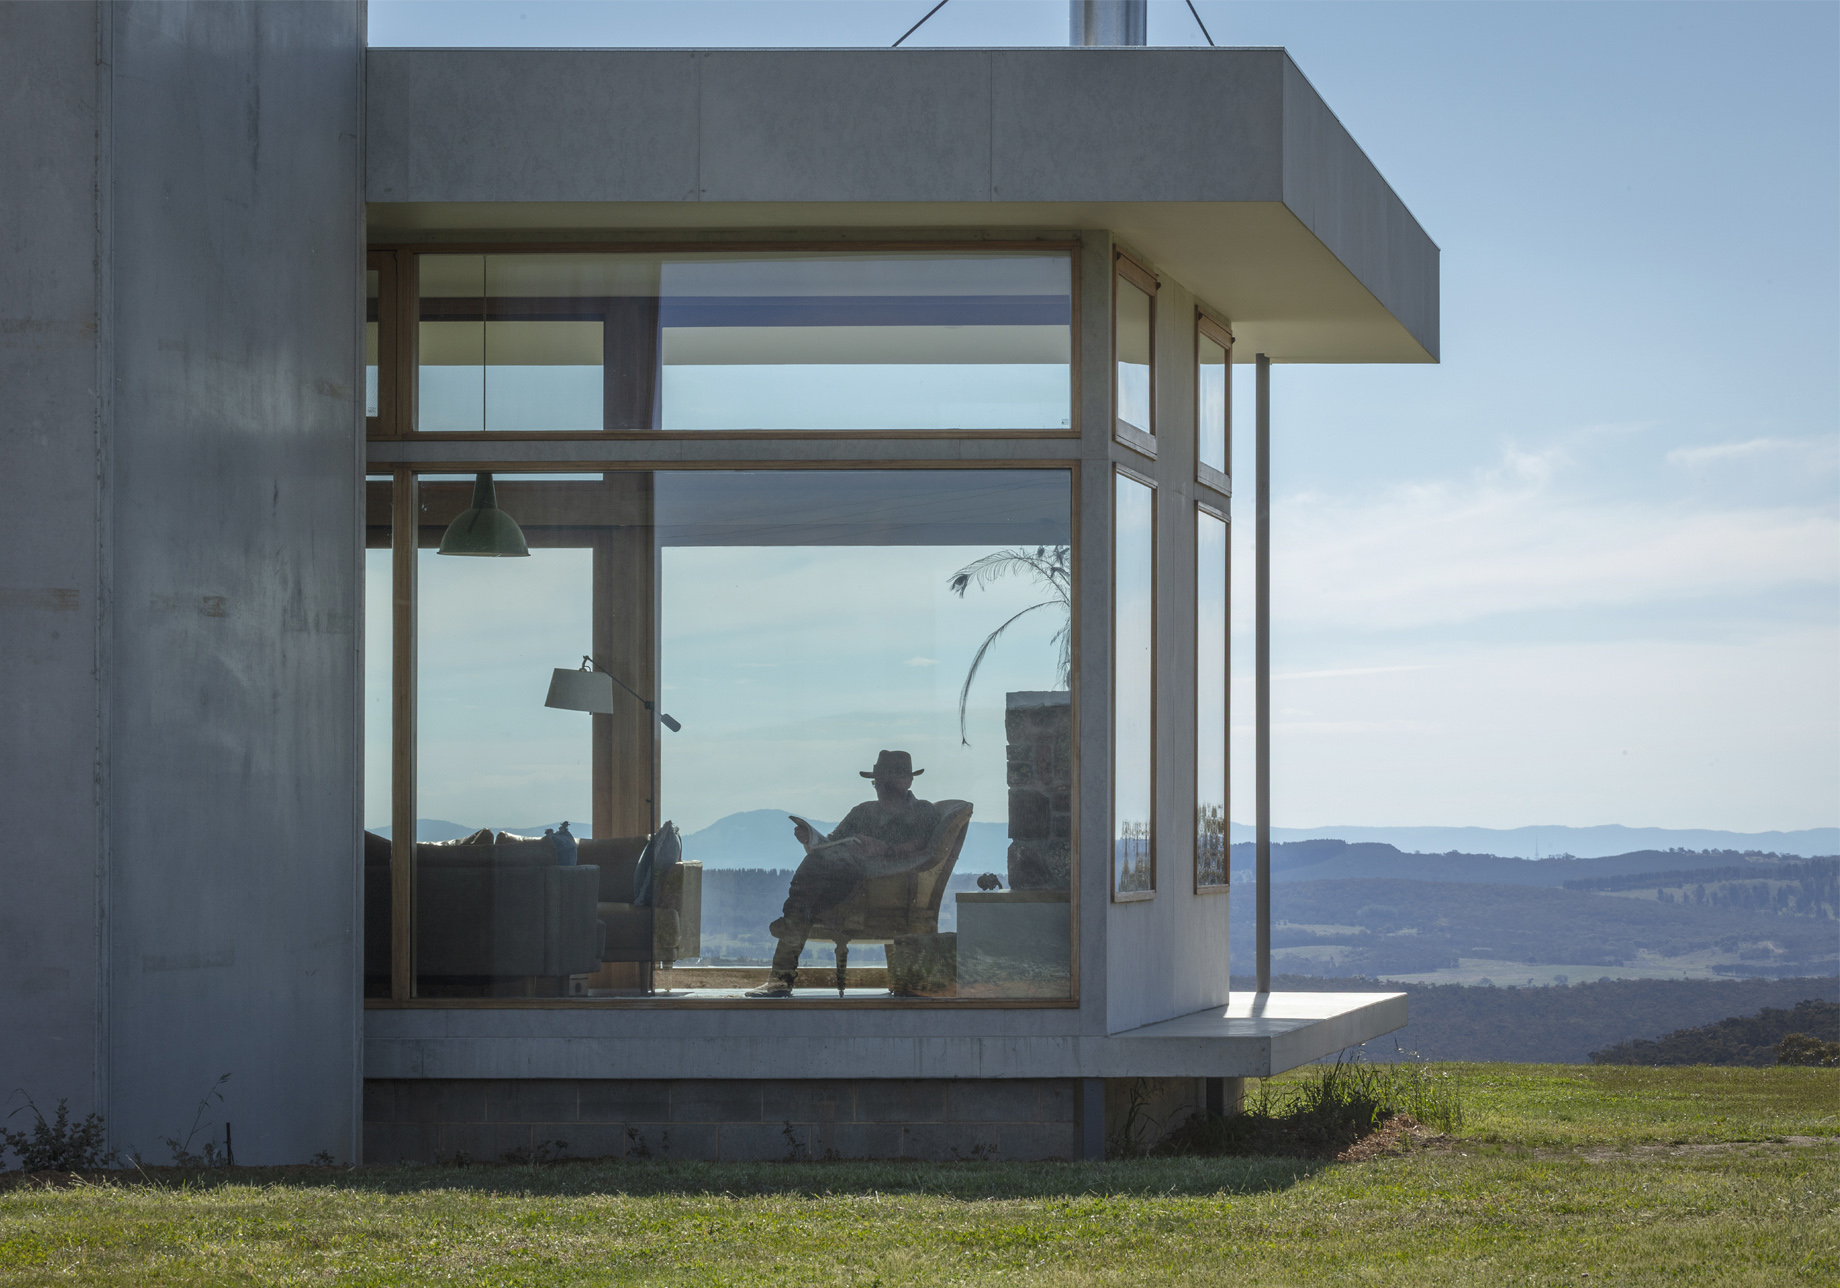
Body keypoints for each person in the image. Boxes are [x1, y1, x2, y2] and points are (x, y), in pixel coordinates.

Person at [744, 750, 940, 999]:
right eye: (878, 783)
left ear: (908, 781)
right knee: (815, 865)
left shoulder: (922, 812)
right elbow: (831, 843)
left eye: (888, 782)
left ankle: (782, 969)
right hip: (844, 880)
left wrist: (885, 849)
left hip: (885, 884)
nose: (881, 788)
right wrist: (810, 841)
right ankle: (791, 932)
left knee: (804, 904)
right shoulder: (862, 811)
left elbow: (927, 848)